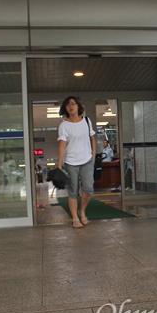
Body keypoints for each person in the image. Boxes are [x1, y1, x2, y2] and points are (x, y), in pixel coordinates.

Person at [57, 96, 96, 228]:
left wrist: (93, 156)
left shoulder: (86, 120)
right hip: (71, 162)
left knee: (89, 189)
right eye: (67, 105)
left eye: (73, 104)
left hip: (87, 160)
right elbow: (62, 145)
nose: (71, 106)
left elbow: (93, 139)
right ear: (65, 109)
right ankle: (75, 218)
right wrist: (59, 164)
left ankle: (82, 210)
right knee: (73, 191)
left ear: (78, 106)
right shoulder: (64, 125)